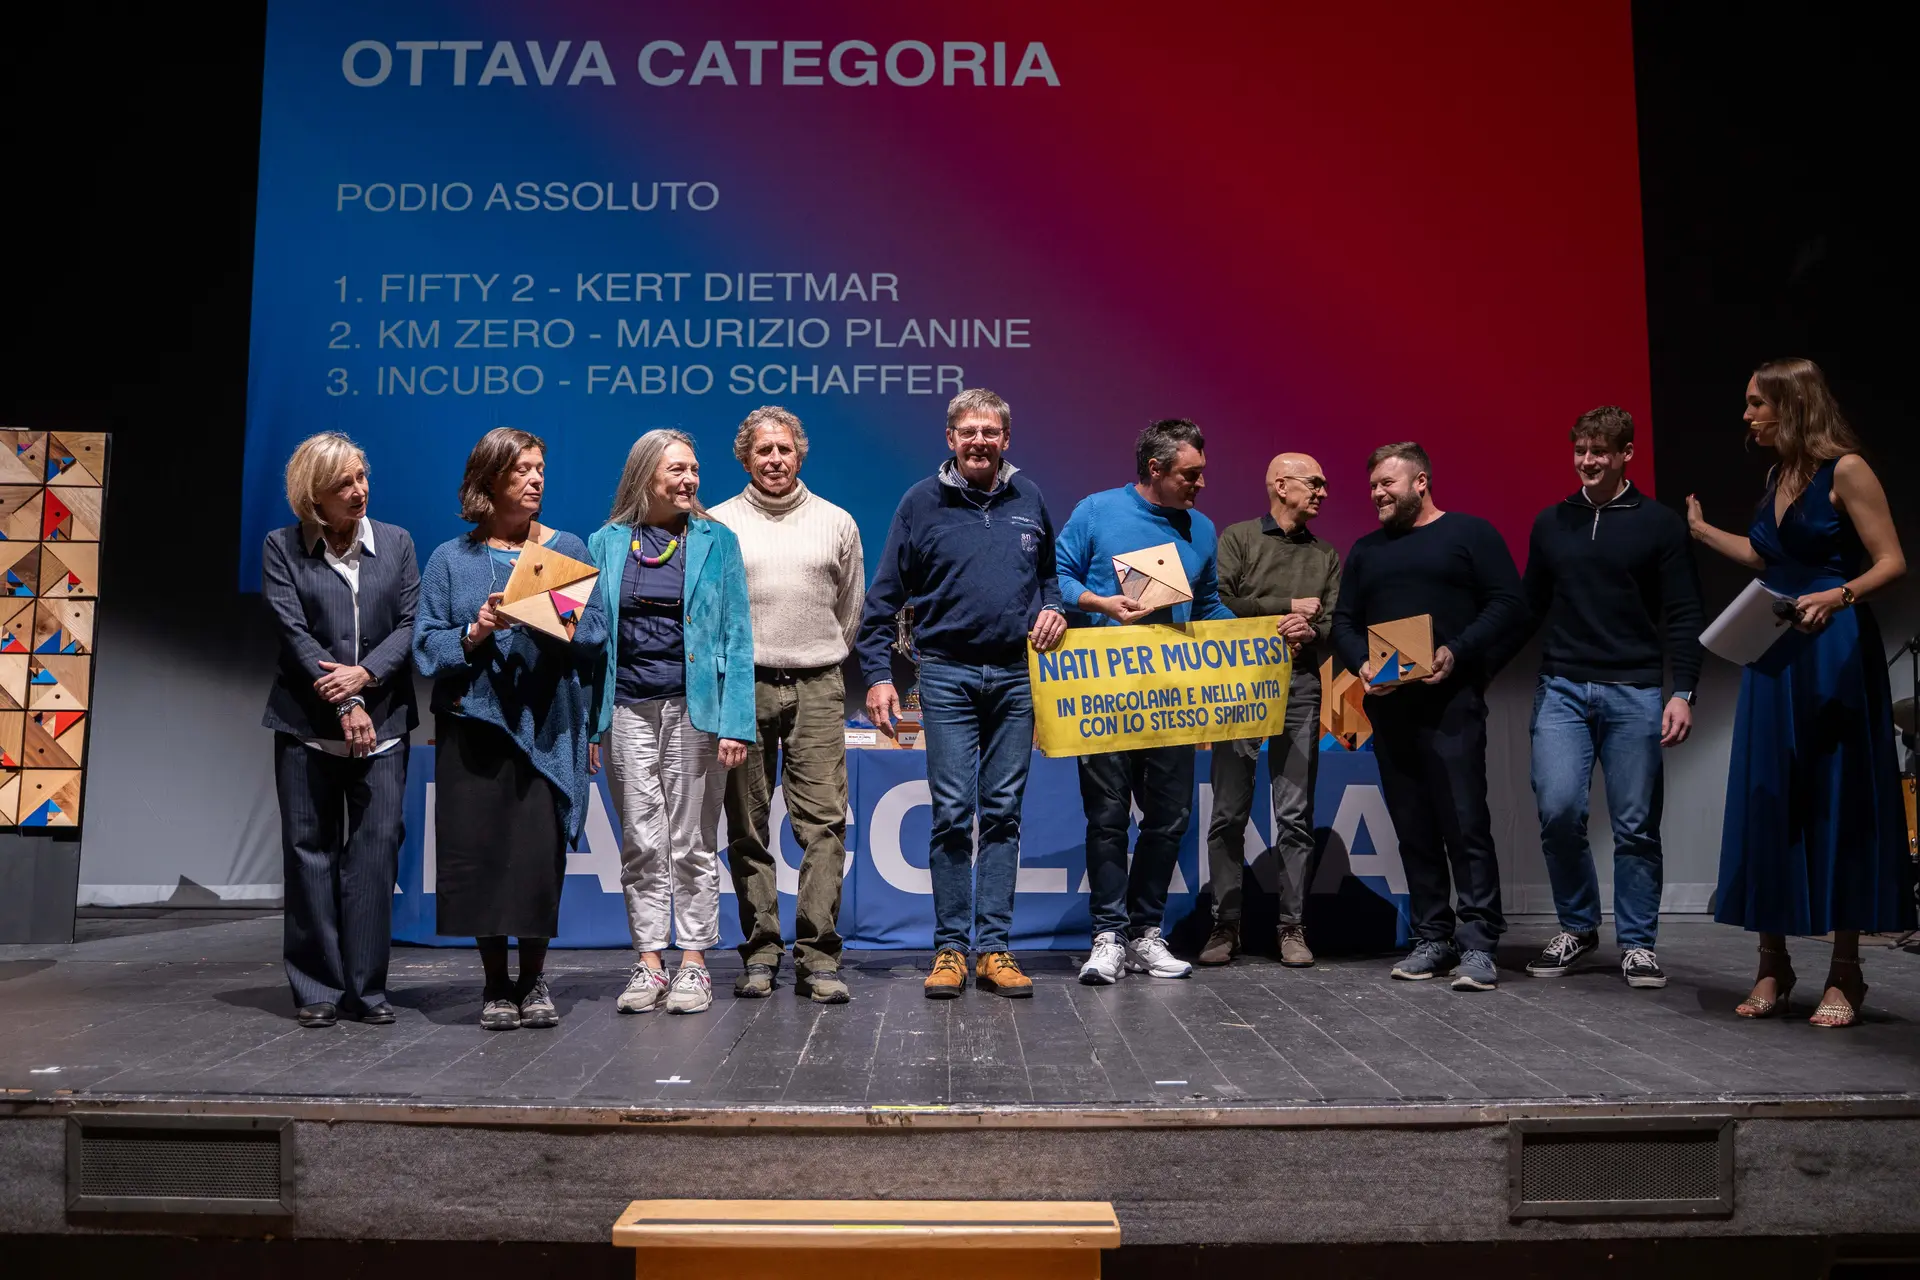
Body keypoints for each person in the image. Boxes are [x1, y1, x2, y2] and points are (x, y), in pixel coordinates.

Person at [1685, 358, 1911, 1027]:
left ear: (1792, 404)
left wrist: (1839, 596)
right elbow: (1769, 559)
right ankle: (1773, 963)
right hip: (1774, 647)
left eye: (1756, 403)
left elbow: (1892, 561)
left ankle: (1846, 970)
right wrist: (1701, 531)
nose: (1747, 416)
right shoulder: (1777, 477)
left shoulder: (1847, 470)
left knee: (1837, 795)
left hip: (1833, 649)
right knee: (1771, 796)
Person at [858, 388, 1067, 999]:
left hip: (1015, 677)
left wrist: (1054, 606)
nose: (979, 441)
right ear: (950, 439)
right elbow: (884, 597)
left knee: (1002, 814)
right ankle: (951, 948)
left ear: (1006, 439)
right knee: (952, 813)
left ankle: (994, 949)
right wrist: (877, 674)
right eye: (968, 431)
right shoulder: (920, 502)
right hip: (945, 675)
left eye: (990, 432)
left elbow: (1049, 576)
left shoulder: (1030, 498)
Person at [413, 428, 608, 1031]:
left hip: (546, 726)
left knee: (535, 860)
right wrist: (476, 631)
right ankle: (496, 984)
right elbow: (426, 647)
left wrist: (543, 613)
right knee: (482, 856)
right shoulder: (452, 558)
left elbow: (595, 635)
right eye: (521, 469)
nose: (535, 479)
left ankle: (533, 979)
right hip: (475, 726)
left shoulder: (563, 548)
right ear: (489, 479)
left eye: (540, 468)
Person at [1330, 442, 1527, 992]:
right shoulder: (1366, 550)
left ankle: (1479, 942)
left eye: (1387, 483)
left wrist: (1457, 651)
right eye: (1373, 485)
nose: (1377, 493)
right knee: (1412, 827)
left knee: (1465, 824)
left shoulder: (1470, 534)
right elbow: (1344, 622)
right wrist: (1361, 664)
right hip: (1390, 708)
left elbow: (1509, 603)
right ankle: (1432, 937)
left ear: (1421, 482)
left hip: (1452, 704)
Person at [1521, 406, 1704, 990]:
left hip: (1636, 691)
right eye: (1580, 450)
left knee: (1636, 827)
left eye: (1599, 451)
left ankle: (1638, 944)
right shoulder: (1552, 523)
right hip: (1562, 688)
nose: (1587, 461)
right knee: (1558, 812)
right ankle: (1578, 927)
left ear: (1626, 454)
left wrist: (1684, 691)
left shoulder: (1660, 525)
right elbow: (1527, 608)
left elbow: (1684, 612)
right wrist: (1467, 661)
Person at [1057, 419, 1238, 985]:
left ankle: (1144, 932)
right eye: (1191, 474)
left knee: (1168, 819)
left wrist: (1261, 633)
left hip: (1171, 698)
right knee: (1108, 818)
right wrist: (1101, 603)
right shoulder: (1097, 511)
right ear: (1155, 469)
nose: (1201, 484)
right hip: (1104, 695)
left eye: (1201, 473)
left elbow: (1207, 607)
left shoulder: (1201, 528)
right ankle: (1108, 935)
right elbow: (1056, 578)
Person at [587, 429, 755, 1017]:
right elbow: (591, 640)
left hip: (695, 710)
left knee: (692, 840)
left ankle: (694, 962)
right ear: (645, 477)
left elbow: (738, 637)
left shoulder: (717, 540)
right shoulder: (605, 542)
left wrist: (736, 723)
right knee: (641, 839)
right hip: (625, 709)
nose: (689, 480)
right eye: (676, 470)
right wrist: (591, 725)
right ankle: (650, 961)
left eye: (693, 469)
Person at [260, 433, 419, 1028]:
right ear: (313, 497)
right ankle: (317, 988)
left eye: (361, 477)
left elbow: (410, 624)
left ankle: (366, 988)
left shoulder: (397, 542)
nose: (359, 491)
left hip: (385, 727)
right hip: (307, 726)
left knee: (374, 858)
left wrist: (365, 676)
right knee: (309, 856)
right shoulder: (282, 547)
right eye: (342, 484)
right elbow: (294, 633)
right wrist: (345, 701)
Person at [710, 407, 863, 1004]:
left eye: (784, 449)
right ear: (745, 458)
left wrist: (813, 656)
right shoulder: (717, 523)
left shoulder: (836, 522)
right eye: (763, 450)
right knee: (746, 825)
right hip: (741, 688)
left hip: (819, 685)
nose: (775, 460)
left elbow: (850, 610)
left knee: (824, 824)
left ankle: (818, 957)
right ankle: (761, 952)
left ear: (800, 454)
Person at [1200, 452, 1341, 968]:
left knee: (1294, 815)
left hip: (1300, 685)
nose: (1323, 492)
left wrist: (1312, 629)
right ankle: (1225, 924)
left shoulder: (1325, 554)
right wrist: (1285, 610)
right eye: (1314, 483)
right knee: (1228, 812)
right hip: (1238, 684)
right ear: (1282, 486)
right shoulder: (1238, 539)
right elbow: (1217, 604)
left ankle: (1292, 926)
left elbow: (1335, 624)